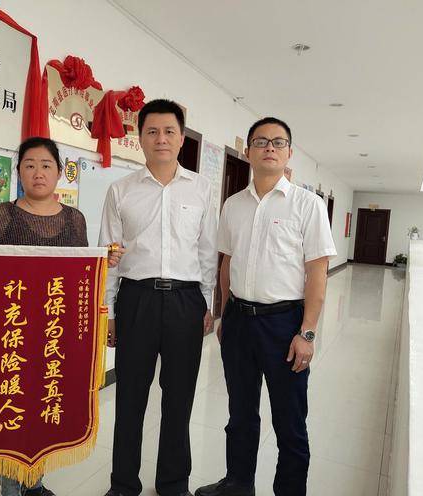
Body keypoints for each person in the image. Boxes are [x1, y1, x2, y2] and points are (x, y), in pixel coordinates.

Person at [195, 117, 336, 496]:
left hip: (284, 325)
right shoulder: (233, 205)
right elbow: (227, 263)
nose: (269, 148)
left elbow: (317, 273)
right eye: (260, 141)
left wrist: (307, 333)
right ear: (248, 151)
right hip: (239, 321)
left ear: (289, 153)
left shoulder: (308, 205)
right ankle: (238, 483)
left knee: (290, 421)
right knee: (240, 412)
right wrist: (224, 314)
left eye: (278, 142)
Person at [0, 136, 123, 496]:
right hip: (11, 331)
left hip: (54, 333)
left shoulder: (74, 219)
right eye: (29, 165)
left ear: (58, 173)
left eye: (46, 165)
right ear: (19, 172)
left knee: (45, 403)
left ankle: (35, 482)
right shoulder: (0, 216)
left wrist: (103, 262)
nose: (38, 173)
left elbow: (79, 276)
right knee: (11, 407)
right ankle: (11, 486)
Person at [99, 99, 217, 496]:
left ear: (181, 138)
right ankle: (122, 485)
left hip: (186, 302)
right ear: (140, 138)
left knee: (179, 399)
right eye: (152, 131)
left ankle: (173, 484)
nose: (161, 138)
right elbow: (109, 255)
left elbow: (207, 252)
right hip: (136, 300)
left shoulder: (201, 190)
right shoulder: (120, 190)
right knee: (130, 397)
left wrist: (207, 304)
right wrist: (109, 311)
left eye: (169, 131)